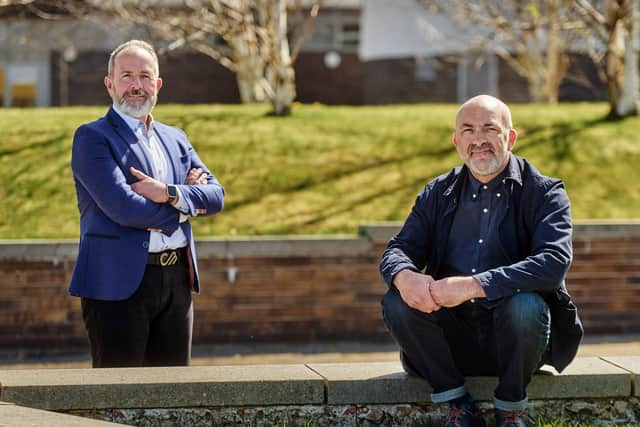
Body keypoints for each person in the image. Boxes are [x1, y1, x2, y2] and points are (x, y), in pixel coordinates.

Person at [379, 95, 582, 427]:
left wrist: (472, 286)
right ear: (457, 141)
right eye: (468, 130)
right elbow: (398, 249)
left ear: (510, 137)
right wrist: (404, 276)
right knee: (396, 301)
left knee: (526, 306)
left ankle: (510, 409)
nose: (478, 140)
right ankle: (458, 405)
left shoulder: (544, 193)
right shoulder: (437, 192)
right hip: (451, 340)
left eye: (490, 128)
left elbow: (553, 261)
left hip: (518, 341)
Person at [69, 40, 224, 368]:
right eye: (126, 76)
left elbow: (216, 196)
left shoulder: (176, 138)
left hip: (176, 282)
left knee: (173, 397)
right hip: (116, 286)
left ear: (158, 84)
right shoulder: (92, 138)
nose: (136, 85)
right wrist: (183, 208)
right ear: (109, 84)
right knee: (118, 399)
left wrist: (167, 192)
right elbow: (124, 208)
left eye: (144, 75)